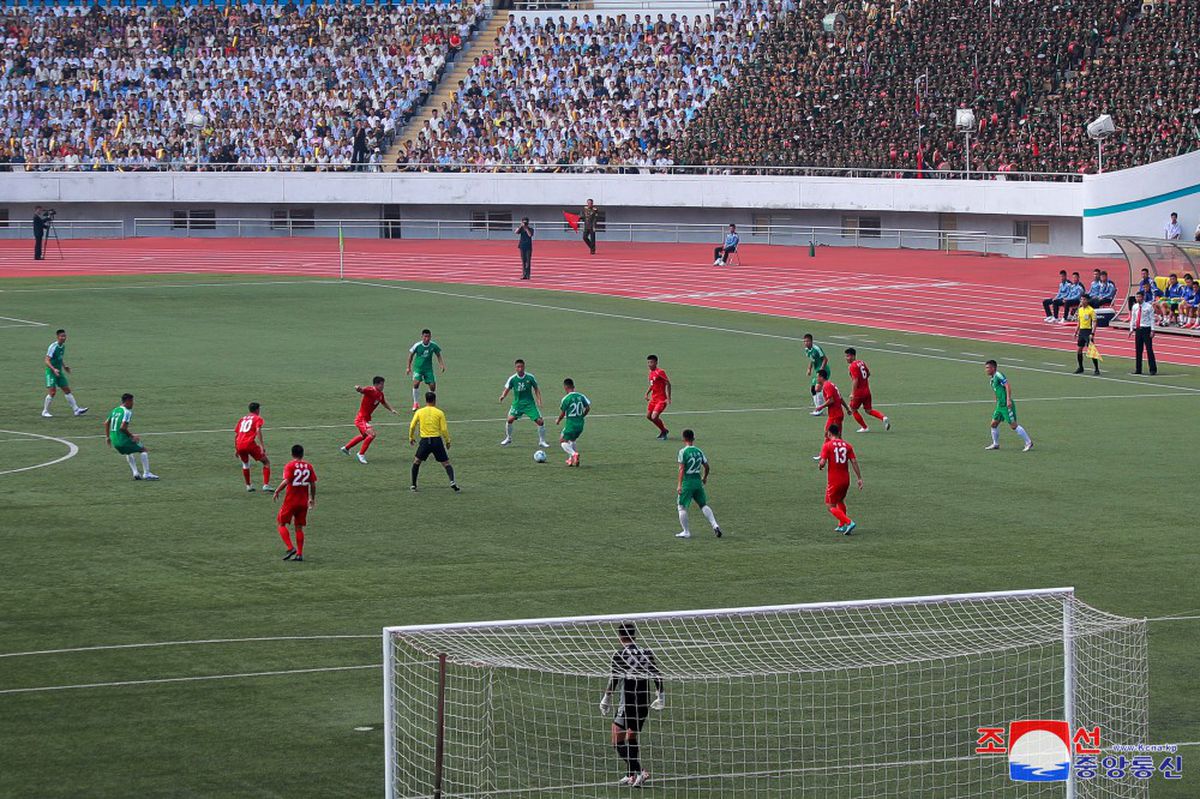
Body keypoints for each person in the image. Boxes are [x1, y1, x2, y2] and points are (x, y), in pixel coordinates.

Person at [599, 622, 664, 788]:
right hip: (644, 701)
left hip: (627, 702)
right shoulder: (646, 652)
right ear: (634, 635)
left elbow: (614, 678)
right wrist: (661, 696)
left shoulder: (620, 654)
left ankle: (640, 771)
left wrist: (606, 698)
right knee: (632, 735)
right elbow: (657, 675)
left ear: (620, 637)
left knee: (617, 739)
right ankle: (631, 776)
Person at [674, 428, 722, 539]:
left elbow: (681, 469)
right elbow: (707, 466)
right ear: (693, 438)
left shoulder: (683, 452)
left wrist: (679, 485)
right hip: (697, 482)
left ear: (683, 439)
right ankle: (715, 525)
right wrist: (704, 477)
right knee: (703, 505)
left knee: (681, 506)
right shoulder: (699, 451)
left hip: (688, 482)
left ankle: (686, 531)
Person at [339, 376, 398, 464]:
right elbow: (362, 390)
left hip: (365, 419)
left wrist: (391, 410)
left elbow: (384, 402)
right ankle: (361, 454)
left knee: (364, 436)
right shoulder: (371, 390)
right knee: (372, 434)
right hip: (361, 419)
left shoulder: (380, 394)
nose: (383, 386)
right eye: (381, 384)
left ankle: (346, 448)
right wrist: (358, 388)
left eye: (383, 384)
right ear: (376, 384)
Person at [408, 391, 459, 492]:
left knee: (417, 462)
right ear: (435, 400)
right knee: (446, 463)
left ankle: (413, 485)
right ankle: (452, 481)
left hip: (425, 442)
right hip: (437, 441)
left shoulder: (419, 412)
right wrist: (448, 441)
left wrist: (411, 437)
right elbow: (444, 429)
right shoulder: (439, 412)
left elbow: (412, 425)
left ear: (426, 400)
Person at [273, 444, 316, 562]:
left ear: (292, 454)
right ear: (302, 454)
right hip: (303, 502)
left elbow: (287, 481)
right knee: (299, 528)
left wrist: (277, 490)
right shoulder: (309, 466)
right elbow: (312, 484)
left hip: (291, 500)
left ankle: (290, 548)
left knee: (281, 523)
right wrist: (312, 498)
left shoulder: (290, 465)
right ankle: (300, 554)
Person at [818, 424, 863, 535]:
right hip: (846, 479)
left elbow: (822, 462)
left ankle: (849, 522)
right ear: (839, 433)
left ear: (829, 433)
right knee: (840, 500)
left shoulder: (827, 445)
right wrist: (859, 478)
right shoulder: (847, 446)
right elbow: (854, 462)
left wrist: (820, 465)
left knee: (830, 505)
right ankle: (841, 525)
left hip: (834, 480)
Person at [106, 392, 158, 480]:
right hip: (122, 439)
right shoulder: (127, 412)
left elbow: (106, 423)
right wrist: (132, 436)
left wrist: (107, 437)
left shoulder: (115, 410)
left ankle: (135, 473)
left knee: (128, 452)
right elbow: (122, 428)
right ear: (128, 401)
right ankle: (147, 473)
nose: (133, 404)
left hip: (115, 440)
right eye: (132, 401)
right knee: (143, 449)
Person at [983, 360, 1033, 451]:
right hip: (1000, 406)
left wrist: (1008, 400)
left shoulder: (998, 375)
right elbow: (997, 391)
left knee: (1013, 426)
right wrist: (997, 400)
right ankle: (995, 444)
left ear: (993, 368)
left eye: (987, 368)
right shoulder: (992, 380)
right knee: (993, 424)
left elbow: (1007, 385)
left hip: (1006, 405)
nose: (986, 370)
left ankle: (1029, 442)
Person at [499, 359, 547, 447]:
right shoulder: (512, 379)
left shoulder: (530, 377)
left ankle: (542, 441)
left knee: (540, 422)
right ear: (515, 368)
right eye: (518, 367)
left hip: (529, 404)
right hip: (518, 404)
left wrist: (539, 400)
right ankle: (508, 438)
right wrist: (503, 396)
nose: (520, 368)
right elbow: (507, 389)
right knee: (509, 419)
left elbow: (536, 389)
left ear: (524, 367)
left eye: (521, 366)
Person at [41, 328, 87, 418]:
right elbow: (46, 360)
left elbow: (59, 358)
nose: (64, 338)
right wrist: (54, 369)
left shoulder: (63, 346)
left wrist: (64, 366)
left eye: (65, 336)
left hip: (59, 371)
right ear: (57, 337)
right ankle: (45, 411)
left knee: (67, 390)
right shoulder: (53, 346)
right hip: (51, 372)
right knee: (52, 392)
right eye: (62, 336)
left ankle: (76, 410)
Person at [844, 348, 890, 433]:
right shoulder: (861, 362)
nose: (846, 358)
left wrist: (853, 393)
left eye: (848, 356)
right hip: (867, 391)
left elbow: (855, 380)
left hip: (859, 393)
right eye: (846, 356)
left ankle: (864, 427)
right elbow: (868, 373)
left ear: (853, 356)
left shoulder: (852, 366)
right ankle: (883, 417)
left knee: (852, 409)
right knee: (868, 410)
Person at [234, 402, 271, 492]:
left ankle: (248, 486)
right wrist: (262, 445)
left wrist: (236, 448)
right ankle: (266, 485)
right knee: (266, 462)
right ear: (257, 410)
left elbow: (237, 434)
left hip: (239, 444)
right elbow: (258, 430)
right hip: (249, 444)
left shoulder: (242, 419)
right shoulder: (257, 418)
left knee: (245, 464)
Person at [406, 329, 445, 411]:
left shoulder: (433, 345)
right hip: (418, 368)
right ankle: (415, 403)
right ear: (422, 337)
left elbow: (438, 354)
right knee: (416, 383)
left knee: (432, 386)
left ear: (430, 336)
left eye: (428, 336)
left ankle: (431, 403)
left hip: (428, 369)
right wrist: (408, 367)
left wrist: (441, 365)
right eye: (425, 336)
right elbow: (411, 355)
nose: (427, 338)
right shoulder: (417, 345)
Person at [556, 378, 591, 467]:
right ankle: (571, 460)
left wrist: (558, 420)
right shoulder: (581, 396)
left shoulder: (566, 399)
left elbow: (563, 413)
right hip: (580, 424)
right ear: (573, 387)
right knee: (572, 440)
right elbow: (587, 408)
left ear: (565, 387)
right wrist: (582, 416)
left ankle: (574, 454)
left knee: (562, 441)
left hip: (571, 424)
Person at [1127, 291, 1157, 375]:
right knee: (1138, 350)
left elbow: (1152, 319)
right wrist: (1131, 329)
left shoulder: (1148, 307)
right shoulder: (1135, 307)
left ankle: (1152, 369)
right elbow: (1133, 318)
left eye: (1139, 297)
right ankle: (1138, 369)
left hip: (1146, 329)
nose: (1137, 299)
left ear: (1143, 297)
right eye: (1136, 297)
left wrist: (1152, 330)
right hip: (1138, 329)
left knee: (1149, 349)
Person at [645, 354, 671, 440]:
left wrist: (668, 397)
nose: (649, 364)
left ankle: (664, 431)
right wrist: (647, 393)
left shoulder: (660, 372)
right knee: (648, 416)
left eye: (651, 362)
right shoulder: (650, 372)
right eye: (648, 362)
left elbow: (668, 383)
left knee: (654, 417)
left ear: (656, 362)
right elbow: (652, 385)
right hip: (654, 399)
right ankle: (664, 430)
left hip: (661, 399)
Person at [803, 334, 830, 415]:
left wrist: (821, 370)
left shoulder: (817, 349)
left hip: (824, 370)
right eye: (804, 341)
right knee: (813, 389)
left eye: (807, 341)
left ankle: (820, 409)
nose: (806, 343)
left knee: (817, 388)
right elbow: (812, 360)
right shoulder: (807, 350)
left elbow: (825, 359)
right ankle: (818, 408)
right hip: (817, 371)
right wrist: (809, 369)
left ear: (811, 341)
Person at [1073, 295, 1100, 375]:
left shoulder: (1091, 310)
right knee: (1079, 350)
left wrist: (1092, 333)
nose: (1082, 301)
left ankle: (1096, 369)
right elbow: (1079, 321)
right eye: (1081, 299)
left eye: (1084, 299)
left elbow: (1094, 322)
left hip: (1088, 332)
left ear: (1087, 301)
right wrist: (1076, 331)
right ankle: (1080, 367)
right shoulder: (1080, 310)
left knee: (1091, 350)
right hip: (1081, 331)